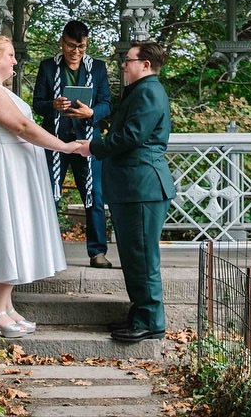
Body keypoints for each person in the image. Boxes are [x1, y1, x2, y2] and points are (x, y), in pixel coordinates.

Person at [0, 32, 87, 338]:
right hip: (2, 171)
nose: (15, 60)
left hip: (13, 169)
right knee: (5, 232)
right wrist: (65, 147)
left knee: (14, 233)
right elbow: (23, 127)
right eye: (10, 54)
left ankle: (5, 306)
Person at [80, 40, 175, 343]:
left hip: (143, 188)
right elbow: (126, 128)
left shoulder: (148, 91)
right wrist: (92, 116)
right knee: (134, 257)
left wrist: (92, 146)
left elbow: (131, 136)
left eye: (129, 59)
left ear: (145, 64)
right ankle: (140, 313)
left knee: (143, 257)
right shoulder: (141, 92)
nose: (124, 64)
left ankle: (151, 321)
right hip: (133, 188)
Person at [32, 19, 114, 268]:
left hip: (87, 142)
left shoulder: (97, 68)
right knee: (49, 196)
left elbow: (107, 103)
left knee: (95, 196)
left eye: (81, 47)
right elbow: (37, 104)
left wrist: (91, 114)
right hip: (54, 141)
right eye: (71, 46)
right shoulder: (47, 67)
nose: (76, 52)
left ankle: (97, 252)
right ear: (62, 41)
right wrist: (52, 105)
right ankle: (43, 252)